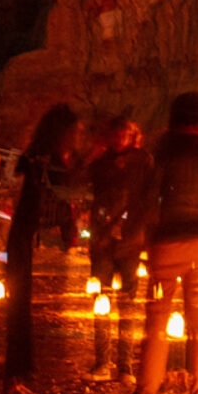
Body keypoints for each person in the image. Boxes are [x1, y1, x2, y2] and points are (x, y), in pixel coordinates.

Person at [129, 92, 198, 394]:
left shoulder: (163, 150)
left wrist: (140, 235)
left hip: (168, 245)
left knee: (157, 323)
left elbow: (150, 198)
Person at [0, 104, 84, 390]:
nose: (78, 136)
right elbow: (64, 191)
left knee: (29, 306)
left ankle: (27, 366)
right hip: (30, 239)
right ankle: (20, 369)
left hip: (34, 238)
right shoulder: (43, 160)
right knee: (24, 305)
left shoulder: (49, 159)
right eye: (75, 131)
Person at [84, 115, 151, 380]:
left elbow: (146, 200)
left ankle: (125, 366)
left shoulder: (144, 162)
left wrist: (133, 230)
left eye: (126, 133)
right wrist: (92, 155)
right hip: (102, 242)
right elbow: (79, 180)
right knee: (101, 301)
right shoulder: (101, 162)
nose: (120, 139)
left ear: (134, 135)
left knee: (128, 303)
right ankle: (102, 362)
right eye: (116, 134)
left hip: (130, 242)